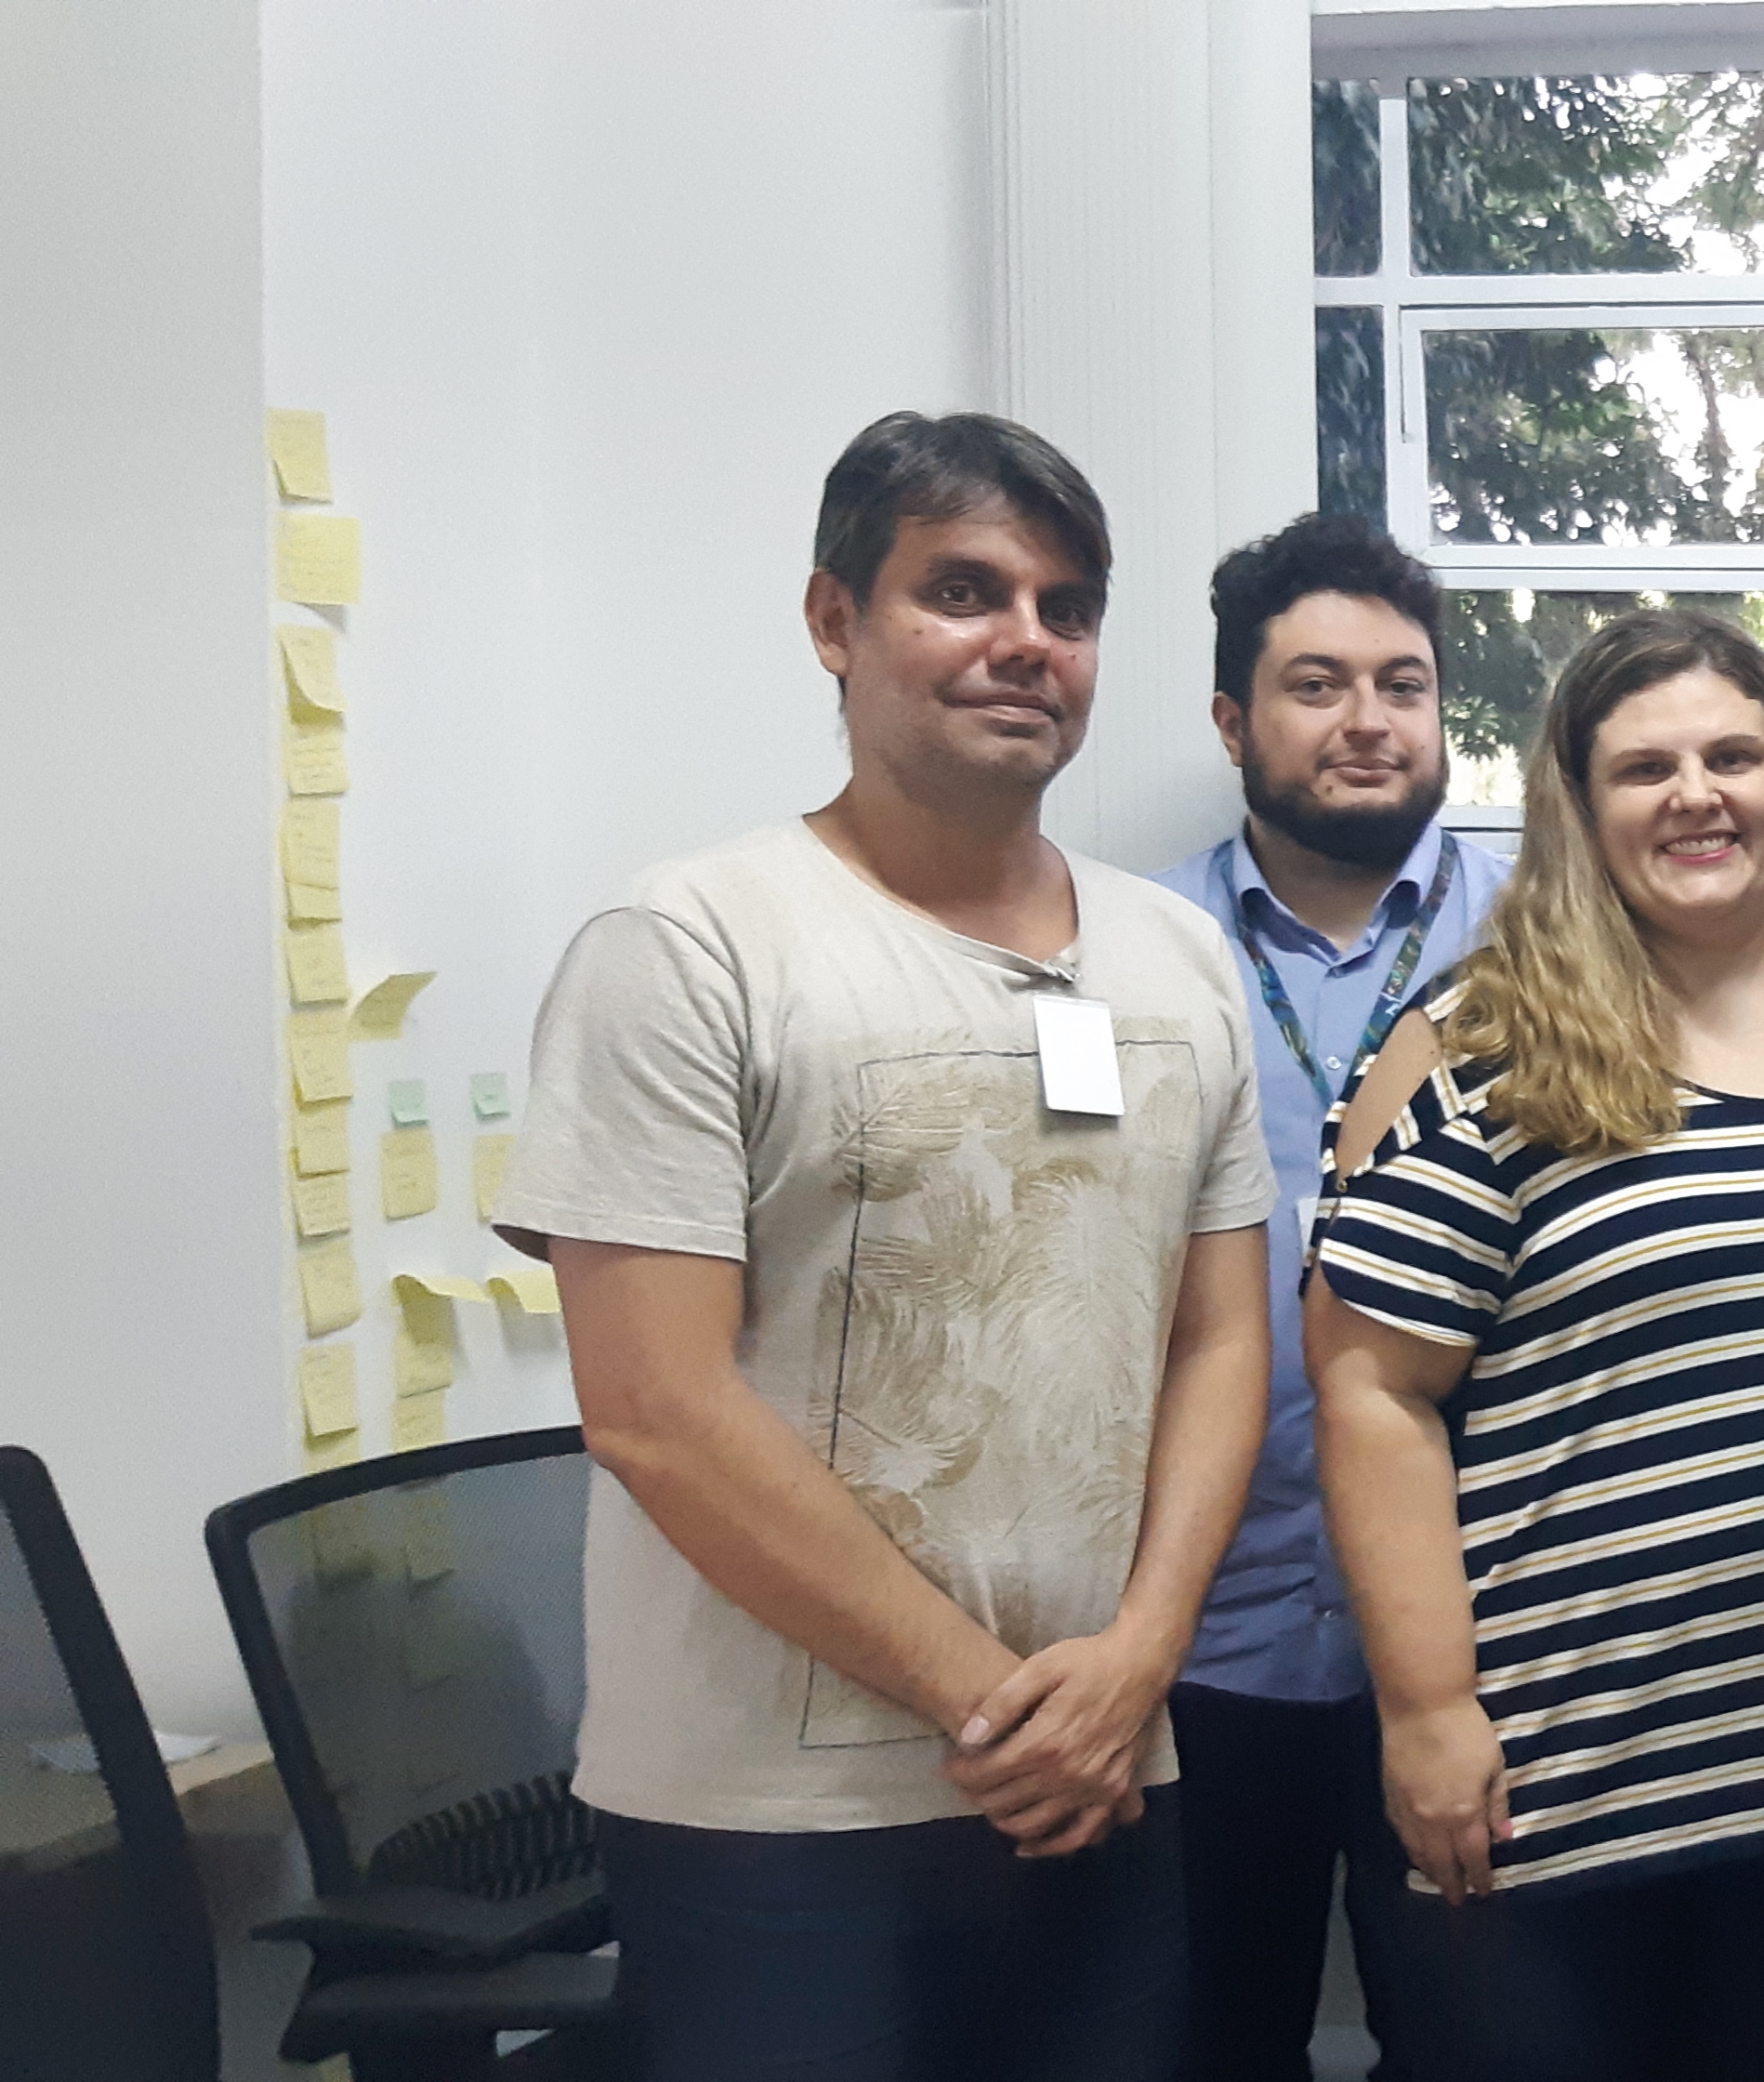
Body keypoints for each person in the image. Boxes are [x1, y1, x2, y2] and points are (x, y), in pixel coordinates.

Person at [493, 411, 1278, 2082]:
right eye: (962, 591)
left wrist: (1135, 1665)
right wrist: (996, 1708)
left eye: (1066, 609)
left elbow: (1215, 1338)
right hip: (776, 1822)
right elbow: (652, 1407)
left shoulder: (1178, 956)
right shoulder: (688, 946)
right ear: (834, 621)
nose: (1024, 643)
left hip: (1102, 1774)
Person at [1304, 608, 1764, 2081]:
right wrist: (1426, 1711)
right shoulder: (1486, 1038)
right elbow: (1370, 1387)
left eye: (1734, 755)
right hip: (1563, 1783)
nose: (1696, 794)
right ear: (1580, 806)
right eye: (1644, 767)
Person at [1153, 513, 1501, 2080]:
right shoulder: (1128, 955)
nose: (1366, 720)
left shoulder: (1556, 941)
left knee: (1482, 2040)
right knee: (1208, 2041)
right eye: (1314, 684)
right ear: (1232, 721)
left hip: (1484, 1634)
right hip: (1202, 1639)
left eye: (1402, 684)